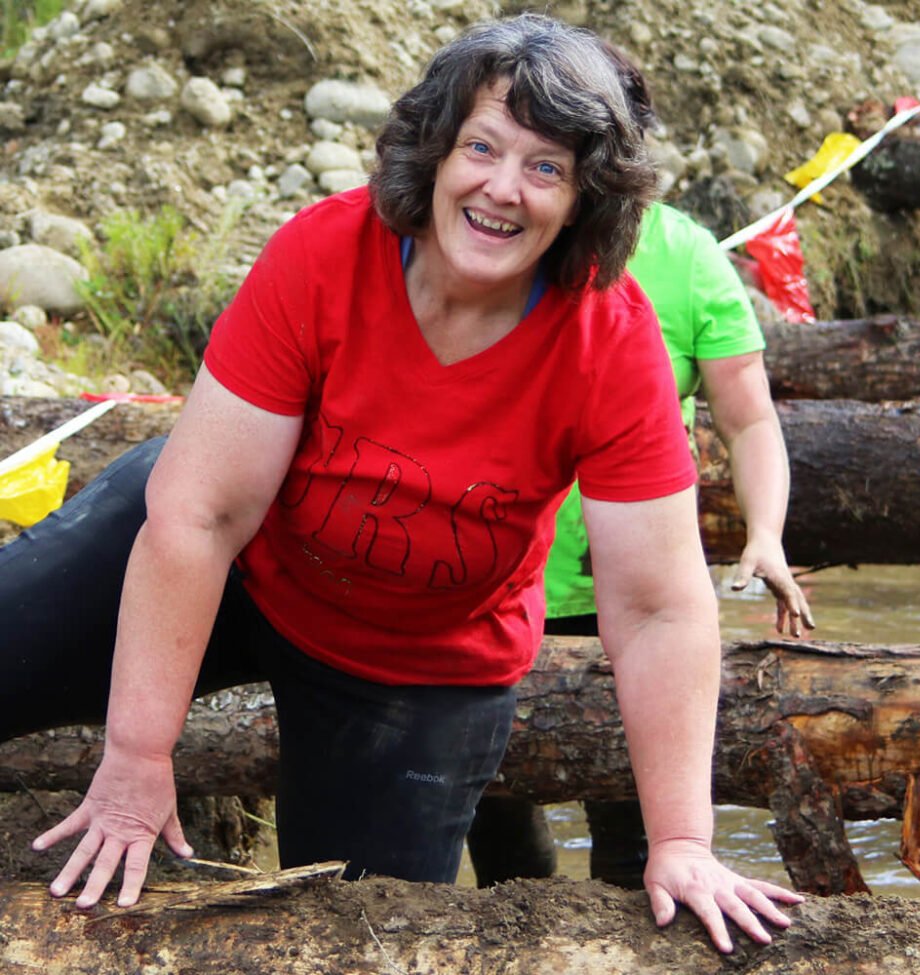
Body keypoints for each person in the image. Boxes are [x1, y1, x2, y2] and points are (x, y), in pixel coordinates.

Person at [0, 14, 802, 954]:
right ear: (436, 150)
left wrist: (683, 840)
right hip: (236, 561)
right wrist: (137, 759)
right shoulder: (324, 253)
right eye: (483, 147)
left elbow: (659, 605)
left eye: (546, 167)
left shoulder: (609, 339)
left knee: (354, 941)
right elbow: (202, 514)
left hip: (419, 662)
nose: (503, 188)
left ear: (587, 198)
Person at [469, 41, 815, 891]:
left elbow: (750, 417)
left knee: (638, 847)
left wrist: (766, 533)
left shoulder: (688, 258)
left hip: (633, 602)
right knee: (502, 844)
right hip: (482, 588)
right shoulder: (490, 235)